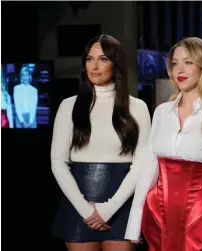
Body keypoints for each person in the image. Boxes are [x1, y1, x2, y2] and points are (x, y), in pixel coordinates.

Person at [125, 37, 202, 251]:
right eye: (175, 62)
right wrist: (134, 222)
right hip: (158, 217)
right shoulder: (162, 112)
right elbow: (148, 169)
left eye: (188, 62)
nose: (180, 69)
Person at [51, 34, 151, 251]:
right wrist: (86, 210)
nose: (94, 66)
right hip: (78, 205)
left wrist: (109, 209)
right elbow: (58, 162)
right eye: (89, 59)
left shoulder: (138, 108)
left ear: (116, 64)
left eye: (103, 59)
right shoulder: (69, 106)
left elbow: (142, 164)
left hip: (121, 204)